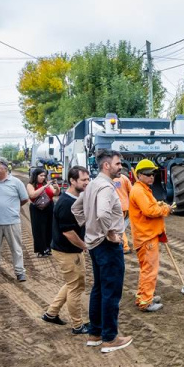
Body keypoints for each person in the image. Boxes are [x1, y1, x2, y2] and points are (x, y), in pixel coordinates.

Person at [71, 150, 133, 353]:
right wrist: (110, 233)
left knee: (99, 289)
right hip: (107, 246)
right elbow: (102, 213)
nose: (120, 166)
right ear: (106, 165)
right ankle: (109, 338)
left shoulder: (92, 185)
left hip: (94, 245)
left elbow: (76, 209)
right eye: (117, 163)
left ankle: (95, 333)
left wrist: (89, 227)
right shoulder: (106, 187)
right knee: (111, 291)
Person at [42, 166, 91, 334]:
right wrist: (85, 246)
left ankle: (51, 313)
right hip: (67, 251)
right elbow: (69, 233)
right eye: (83, 180)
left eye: (88, 179)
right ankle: (77, 325)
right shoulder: (66, 203)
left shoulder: (76, 199)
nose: (87, 182)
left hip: (72, 250)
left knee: (73, 283)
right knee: (75, 287)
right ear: (72, 180)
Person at [129, 159, 173, 312]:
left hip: (146, 235)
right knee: (150, 270)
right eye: (148, 174)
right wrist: (165, 210)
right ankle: (145, 302)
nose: (151, 177)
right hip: (146, 237)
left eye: (153, 173)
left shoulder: (142, 189)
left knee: (146, 269)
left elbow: (151, 206)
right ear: (139, 175)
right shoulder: (139, 191)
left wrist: (160, 205)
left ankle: (144, 296)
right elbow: (150, 211)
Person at [0, 157, 29, 283]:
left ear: (5, 168)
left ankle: (20, 272)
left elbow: (24, 199)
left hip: (12, 222)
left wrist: (13, 208)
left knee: (16, 249)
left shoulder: (16, 182)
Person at [26, 168, 59, 258]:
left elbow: (55, 193)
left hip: (49, 206)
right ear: (36, 176)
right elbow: (32, 195)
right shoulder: (30, 185)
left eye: (44, 176)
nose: (43, 177)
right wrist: (44, 187)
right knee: (39, 229)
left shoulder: (47, 184)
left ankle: (48, 248)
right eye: (41, 175)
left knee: (50, 227)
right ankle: (41, 250)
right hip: (37, 208)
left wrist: (57, 188)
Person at [112, 171, 133, 255]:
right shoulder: (124, 178)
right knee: (122, 226)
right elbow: (132, 191)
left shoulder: (108, 180)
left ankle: (125, 246)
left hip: (116, 208)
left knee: (120, 227)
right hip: (126, 206)